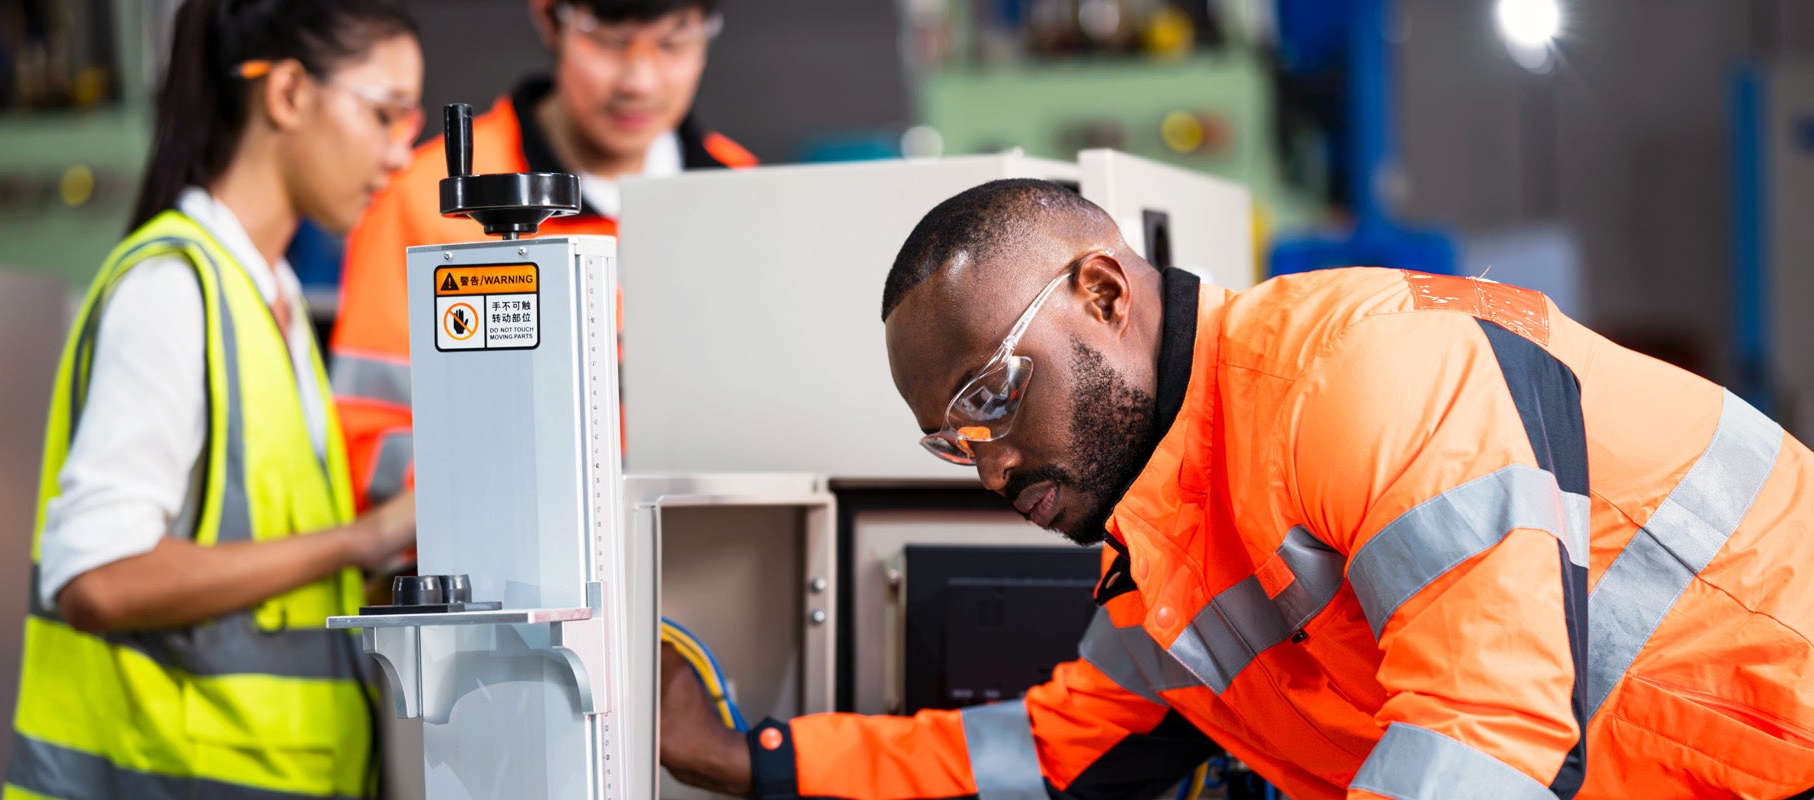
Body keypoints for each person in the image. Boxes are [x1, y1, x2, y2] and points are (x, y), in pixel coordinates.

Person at [661, 178, 1814, 800]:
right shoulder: (1168, 548)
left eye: (992, 397)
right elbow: (1049, 752)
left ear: (1106, 292)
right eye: (951, 440)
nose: (992, 465)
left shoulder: (1360, 375)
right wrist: (752, 757)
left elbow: (1487, 728)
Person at [5, 2, 423, 797]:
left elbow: (262, 600)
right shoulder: (172, 291)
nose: (401, 151)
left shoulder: (274, 297)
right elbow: (98, 577)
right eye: (385, 112)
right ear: (290, 94)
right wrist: (362, 538)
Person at [329, 0, 754, 509]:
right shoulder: (422, 198)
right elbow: (368, 447)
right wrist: (525, 493)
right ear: (551, 23)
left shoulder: (744, 195)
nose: (639, 80)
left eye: (673, 41)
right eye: (610, 39)